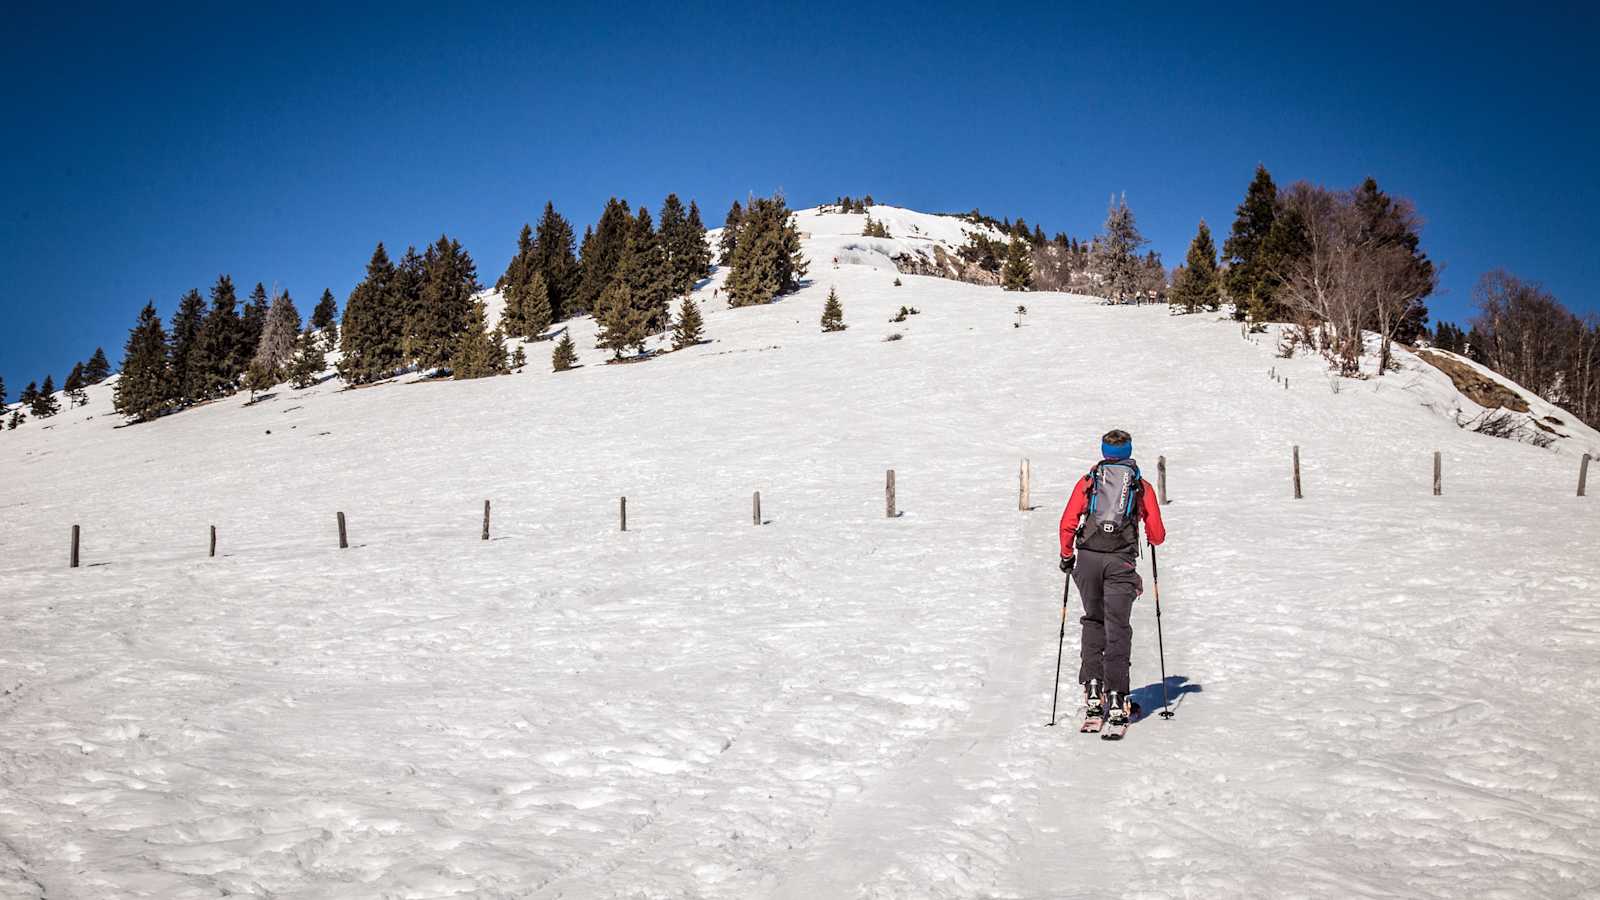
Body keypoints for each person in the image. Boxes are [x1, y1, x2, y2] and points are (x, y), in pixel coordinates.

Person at [1058, 429, 1166, 728]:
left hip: (1088, 560)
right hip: (1120, 562)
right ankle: (1117, 697)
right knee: (1118, 627)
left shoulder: (1089, 482)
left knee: (1094, 620)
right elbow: (1157, 535)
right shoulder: (1140, 486)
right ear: (1129, 451)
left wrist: (1067, 556)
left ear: (1103, 451)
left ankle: (1093, 690)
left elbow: (1068, 523)